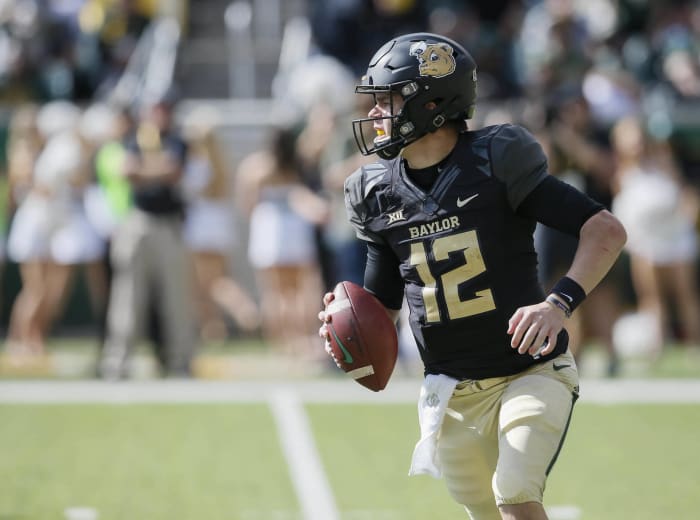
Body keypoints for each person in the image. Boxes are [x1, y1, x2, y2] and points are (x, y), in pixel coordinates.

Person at [318, 33, 626, 520]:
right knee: (488, 511)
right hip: (451, 392)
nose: (375, 114)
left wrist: (558, 303)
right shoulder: (375, 190)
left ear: (433, 103)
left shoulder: (494, 160)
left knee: (516, 492)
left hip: (530, 372)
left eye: (389, 100)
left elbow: (604, 230)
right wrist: (347, 325)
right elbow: (384, 303)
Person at [99, 89, 196, 379]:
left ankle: (180, 362)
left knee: (175, 300)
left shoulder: (177, 140)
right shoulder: (134, 139)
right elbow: (127, 171)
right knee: (127, 297)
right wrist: (155, 168)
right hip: (138, 222)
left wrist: (147, 169)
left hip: (169, 224)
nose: (160, 114)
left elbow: (173, 170)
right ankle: (117, 362)